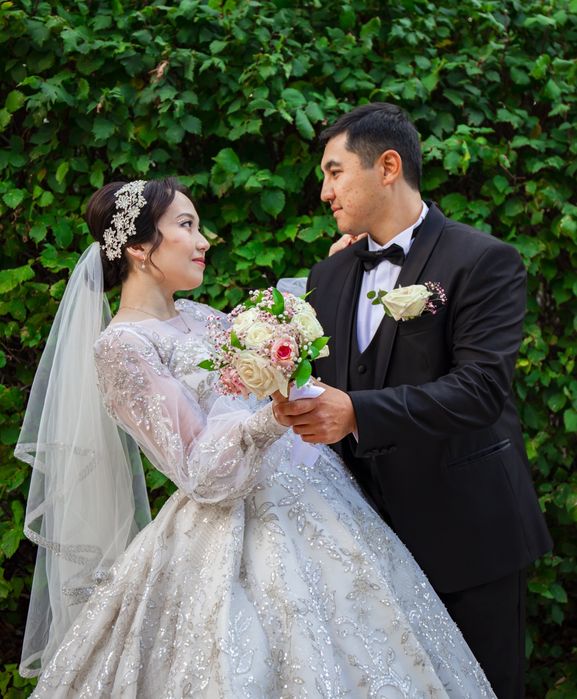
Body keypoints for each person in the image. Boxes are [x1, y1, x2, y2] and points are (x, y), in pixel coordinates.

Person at [16, 176, 497, 697]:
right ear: (137, 247)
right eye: (186, 226)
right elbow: (199, 471)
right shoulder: (122, 346)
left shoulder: (200, 316)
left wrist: (334, 275)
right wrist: (273, 419)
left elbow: (271, 354)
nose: (203, 241)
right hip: (229, 529)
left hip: (317, 498)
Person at [272, 103, 553, 699]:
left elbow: (480, 390)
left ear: (388, 166)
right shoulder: (328, 276)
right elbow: (328, 384)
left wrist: (357, 413)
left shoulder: (482, 260)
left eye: (335, 172)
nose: (324, 192)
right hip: (365, 549)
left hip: (468, 538)